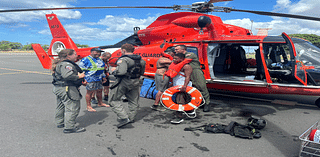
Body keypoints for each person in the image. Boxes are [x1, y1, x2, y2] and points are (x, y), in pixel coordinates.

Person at [109, 43, 146, 128]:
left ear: (124, 50)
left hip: (124, 81)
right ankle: (131, 117)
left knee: (113, 100)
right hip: (136, 81)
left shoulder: (124, 59)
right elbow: (142, 72)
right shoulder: (141, 60)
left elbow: (121, 72)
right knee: (133, 101)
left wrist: (114, 71)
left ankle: (124, 117)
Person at [51, 49, 86, 133]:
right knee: (72, 107)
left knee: (61, 105)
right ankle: (69, 127)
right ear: (68, 56)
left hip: (59, 88)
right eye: (74, 54)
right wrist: (79, 77)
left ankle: (60, 122)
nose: (76, 56)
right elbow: (67, 75)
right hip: (66, 88)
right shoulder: (66, 64)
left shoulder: (60, 64)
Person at [174, 45, 211, 112]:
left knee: (201, 87)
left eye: (177, 49)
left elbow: (183, 61)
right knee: (190, 89)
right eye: (175, 49)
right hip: (186, 73)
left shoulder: (190, 55)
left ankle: (207, 103)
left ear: (183, 49)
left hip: (195, 72)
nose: (175, 51)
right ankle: (197, 102)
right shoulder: (178, 56)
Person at [79, 48, 109, 112]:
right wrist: (83, 80)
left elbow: (102, 69)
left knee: (99, 90)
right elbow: (80, 71)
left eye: (99, 52)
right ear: (92, 52)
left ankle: (100, 103)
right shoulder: (85, 59)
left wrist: (104, 77)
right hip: (90, 78)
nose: (98, 53)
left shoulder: (100, 60)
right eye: (97, 52)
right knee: (90, 92)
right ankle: (88, 106)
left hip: (99, 78)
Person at [169, 53, 194, 124]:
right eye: (174, 58)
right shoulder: (176, 65)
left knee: (180, 101)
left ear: (182, 59)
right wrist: (172, 83)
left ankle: (179, 117)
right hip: (177, 85)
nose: (174, 60)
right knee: (186, 99)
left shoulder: (187, 66)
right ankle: (190, 112)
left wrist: (184, 86)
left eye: (176, 58)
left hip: (182, 86)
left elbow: (188, 77)